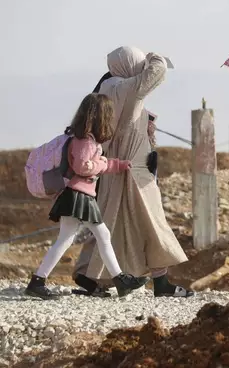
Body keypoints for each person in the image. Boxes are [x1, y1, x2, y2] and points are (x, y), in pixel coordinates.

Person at [72, 46, 193, 298]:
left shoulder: (107, 87)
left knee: (111, 225)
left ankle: (92, 277)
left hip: (114, 169)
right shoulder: (124, 87)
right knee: (152, 223)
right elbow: (157, 73)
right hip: (134, 172)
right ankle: (161, 284)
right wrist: (153, 57)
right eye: (137, 64)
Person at [25, 93, 149, 300]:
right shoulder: (86, 142)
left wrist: (116, 165)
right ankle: (121, 280)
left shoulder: (84, 140)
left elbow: (94, 163)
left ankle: (38, 281)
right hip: (79, 196)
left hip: (76, 195)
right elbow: (83, 166)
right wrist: (102, 164)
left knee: (69, 239)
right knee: (100, 235)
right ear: (101, 116)